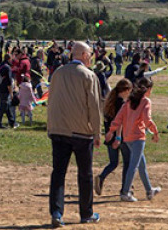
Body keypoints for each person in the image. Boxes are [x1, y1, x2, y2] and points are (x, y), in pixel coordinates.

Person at [46, 41, 102, 226]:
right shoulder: (89, 75)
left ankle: (56, 212)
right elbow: (94, 106)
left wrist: (51, 126)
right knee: (85, 174)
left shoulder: (58, 73)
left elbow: (51, 99)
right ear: (85, 55)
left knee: (58, 173)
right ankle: (86, 213)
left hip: (58, 129)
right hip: (81, 132)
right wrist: (97, 131)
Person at [107, 76, 161, 204]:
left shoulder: (129, 101)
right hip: (138, 137)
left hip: (128, 137)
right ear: (148, 89)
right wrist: (155, 132)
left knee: (141, 164)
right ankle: (125, 192)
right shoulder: (145, 101)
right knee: (134, 165)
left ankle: (149, 190)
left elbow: (119, 117)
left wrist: (111, 130)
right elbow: (147, 119)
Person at [94, 78, 131, 196]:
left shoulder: (110, 101)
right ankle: (125, 188)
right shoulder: (121, 103)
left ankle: (101, 177)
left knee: (113, 163)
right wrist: (118, 138)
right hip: (120, 137)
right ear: (125, 90)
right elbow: (119, 121)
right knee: (128, 162)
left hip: (109, 136)